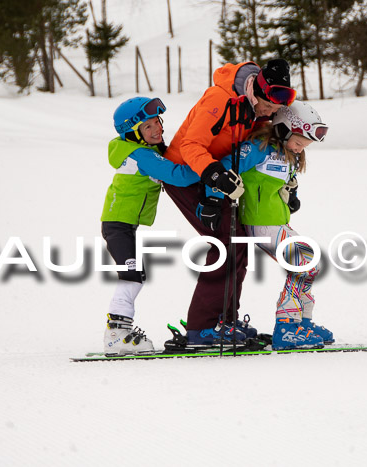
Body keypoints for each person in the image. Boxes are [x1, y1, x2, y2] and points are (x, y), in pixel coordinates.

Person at [161, 59, 298, 345]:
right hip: (186, 174)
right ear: (255, 91)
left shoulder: (255, 108)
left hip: (217, 177)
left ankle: (225, 320)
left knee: (238, 244)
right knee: (224, 243)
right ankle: (202, 327)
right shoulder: (219, 98)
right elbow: (190, 145)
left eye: (274, 110)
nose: (270, 114)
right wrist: (213, 176)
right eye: (268, 107)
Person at [198, 100, 332, 350]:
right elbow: (224, 169)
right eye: (299, 143)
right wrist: (213, 199)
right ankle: (287, 326)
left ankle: (302, 322)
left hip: (276, 222)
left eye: (305, 146)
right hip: (260, 223)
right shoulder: (257, 149)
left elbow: (284, 180)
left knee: (310, 264)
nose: (301, 149)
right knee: (304, 263)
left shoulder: (287, 153)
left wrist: (291, 194)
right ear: (282, 129)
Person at [101, 97, 204, 356]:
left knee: (136, 274)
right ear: (134, 134)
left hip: (123, 225)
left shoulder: (143, 150)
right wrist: (209, 167)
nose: (157, 128)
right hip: (118, 226)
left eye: (157, 121)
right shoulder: (141, 155)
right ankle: (116, 334)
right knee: (132, 275)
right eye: (148, 126)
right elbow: (177, 175)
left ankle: (119, 331)